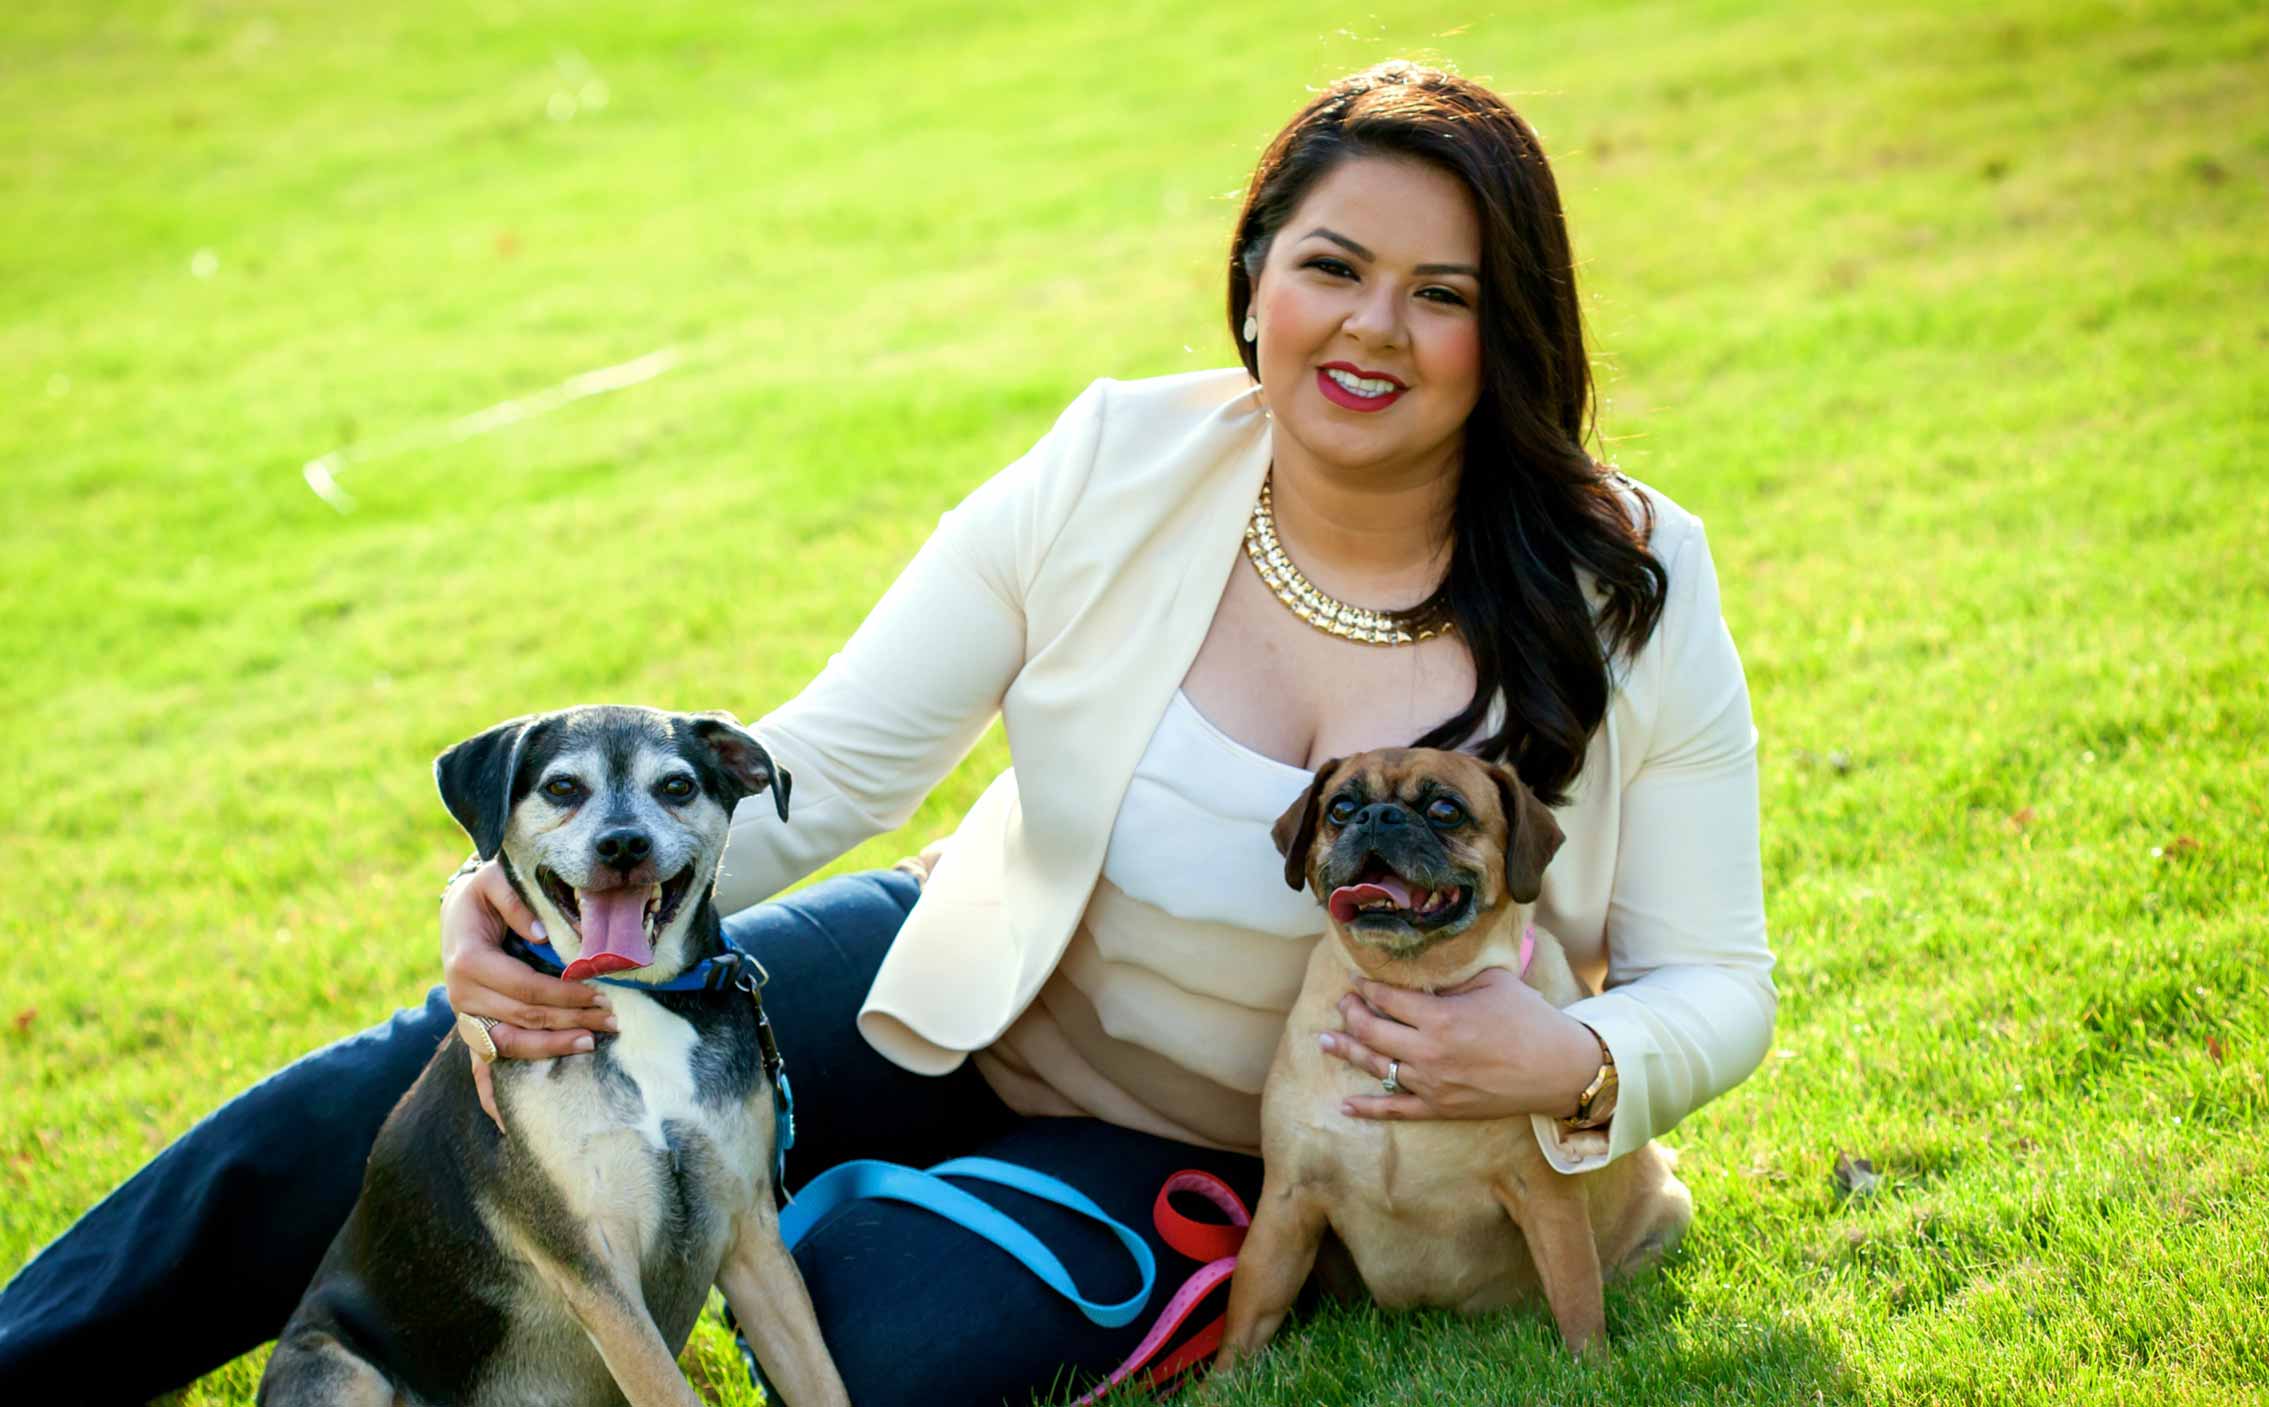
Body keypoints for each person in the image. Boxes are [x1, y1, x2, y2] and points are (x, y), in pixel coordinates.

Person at [0, 60, 1774, 1406]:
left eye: (1442, 291)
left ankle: (823, 1195)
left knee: (869, 1352)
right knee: (407, 1090)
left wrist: (1577, 1067)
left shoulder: (1632, 580)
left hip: (1203, 1135)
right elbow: (832, 766)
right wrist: (547, 919)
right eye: (1332, 266)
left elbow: (1718, 978)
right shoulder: (1111, 464)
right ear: (1254, 279)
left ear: (1508, 324)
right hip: (937, 973)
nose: (1372, 327)